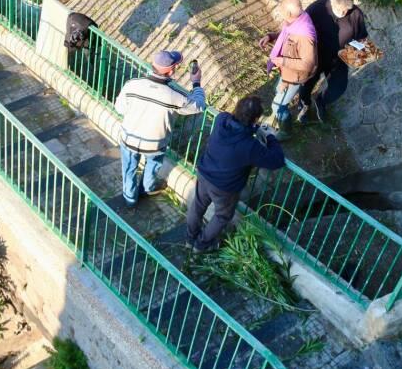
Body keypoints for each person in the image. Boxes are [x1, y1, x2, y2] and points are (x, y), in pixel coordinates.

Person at [186, 95, 285, 252]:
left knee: (198, 206)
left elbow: (238, 127)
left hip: (204, 172)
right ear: (256, 118)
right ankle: (201, 245)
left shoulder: (221, 119)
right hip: (224, 187)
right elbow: (277, 160)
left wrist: (255, 128)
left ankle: (190, 238)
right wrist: (271, 136)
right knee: (222, 216)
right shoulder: (250, 146)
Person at [115, 50, 205, 207]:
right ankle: (147, 189)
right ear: (171, 71)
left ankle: (130, 199)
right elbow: (199, 106)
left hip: (129, 137)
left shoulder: (132, 84)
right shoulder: (174, 96)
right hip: (155, 143)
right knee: (153, 164)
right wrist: (196, 83)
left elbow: (120, 108)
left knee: (129, 168)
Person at [297, 0, 368, 123]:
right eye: (340, 10)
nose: (343, 13)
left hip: (338, 57)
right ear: (331, 3)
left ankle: (321, 101)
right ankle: (304, 104)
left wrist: (360, 55)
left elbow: (361, 37)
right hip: (315, 55)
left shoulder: (356, 14)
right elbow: (299, 27)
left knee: (339, 87)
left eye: (346, 10)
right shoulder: (318, 8)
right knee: (306, 83)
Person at [257, 0, 317, 136]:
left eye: (282, 10)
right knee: (278, 91)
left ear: (289, 14)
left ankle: (285, 131)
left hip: (295, 76)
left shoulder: (304, 35)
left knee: (278, 105)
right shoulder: (297, 21)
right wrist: (271, 37)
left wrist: (282, 61)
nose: (280, 12)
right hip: (287, 72)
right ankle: (276, 118)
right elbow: (287, 37)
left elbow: (308, 64)